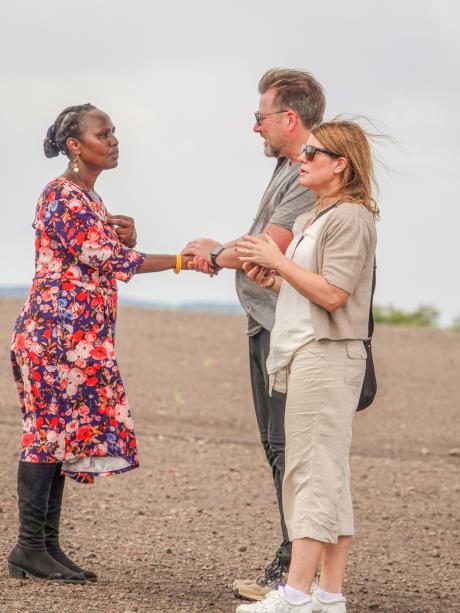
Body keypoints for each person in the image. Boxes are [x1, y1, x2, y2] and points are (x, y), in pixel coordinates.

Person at [8, 104, 194, 583]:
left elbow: (105, 254)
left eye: (113, 132)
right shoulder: (64, 197)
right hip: (55, 340)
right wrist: (181, 260)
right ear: (75, 145)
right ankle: (29, 546)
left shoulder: (86, 197)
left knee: (58, 439)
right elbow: (111, 260)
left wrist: (128, 237)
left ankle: (45, 547)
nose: (113, 140)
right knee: (46, 437)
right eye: (103, 133)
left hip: (74, 343)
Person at [182, 69, 325, 600]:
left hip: (286, 330)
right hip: (266, 323)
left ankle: (296, 577)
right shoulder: (292, 166)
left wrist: (210, 256)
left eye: (260, 117)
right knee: (277, 448)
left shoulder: (311, 170)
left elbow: (271, 246)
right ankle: (294, 570)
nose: (255, 128)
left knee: (290, 450)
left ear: (289, 118)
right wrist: (221, 252)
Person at [234, 119, 378, 613]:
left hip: (327, 354)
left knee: (310, 472)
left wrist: (278, 263)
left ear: (341, 164)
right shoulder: (321, 215)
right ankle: (328, 595)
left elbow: (335, 295)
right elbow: (310, 293)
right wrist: (275, 277)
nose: (302, 158)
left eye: (312, 153)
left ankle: (294, 595)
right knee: (326, 474)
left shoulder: (350, 218)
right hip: (305, 351)